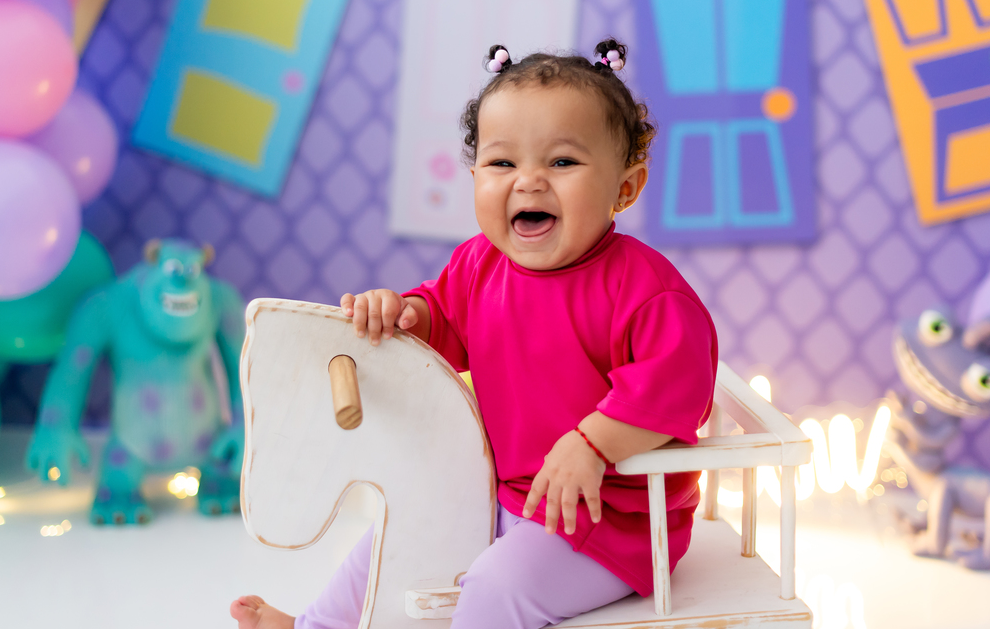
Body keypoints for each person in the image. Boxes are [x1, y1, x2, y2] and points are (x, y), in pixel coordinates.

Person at [232, 40, 718, 629]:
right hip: (498, 492)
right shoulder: (478, 264)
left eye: (563, 162)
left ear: (626, 187)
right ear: (474, 176)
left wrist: (592, 444)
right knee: (389, 543)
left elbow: (672, 391)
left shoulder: (645, 291)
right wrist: (402, 313)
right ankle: (317, 625)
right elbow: (438, 321)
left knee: (494, 589)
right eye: (502, 163)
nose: (529, 181)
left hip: (607, 521)